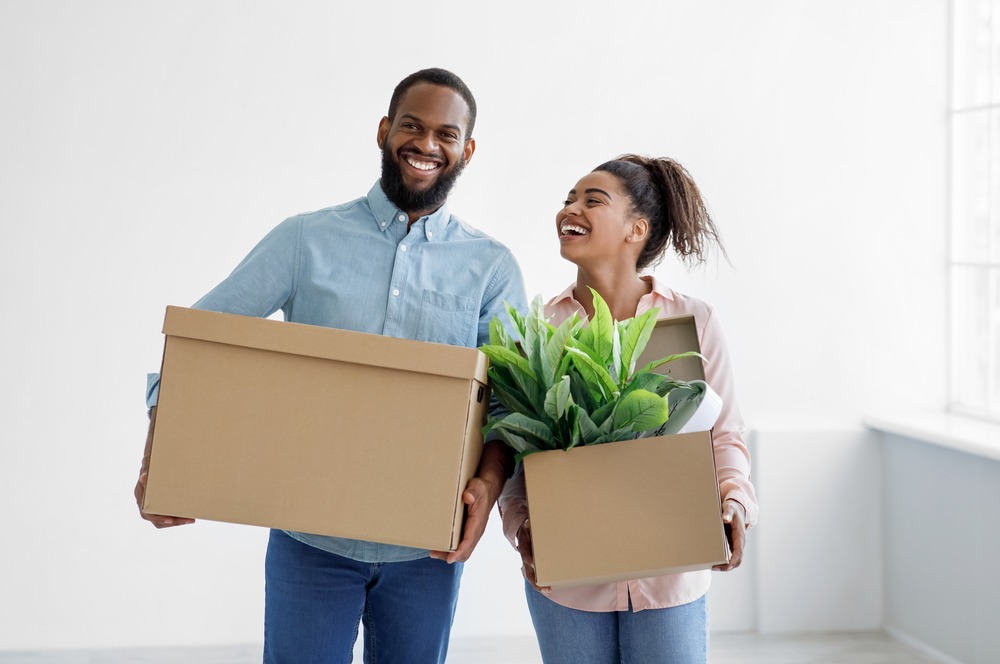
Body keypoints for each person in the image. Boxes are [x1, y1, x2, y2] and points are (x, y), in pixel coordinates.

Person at [133, 68, 529, 664]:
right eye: (411, 126)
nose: (426, 144)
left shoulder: (491, 267)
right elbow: (195, 345)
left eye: (446, 134)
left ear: (466, 150)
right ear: (383, 131)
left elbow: (510, 403)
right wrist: (158, 460)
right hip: (308, 541)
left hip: (426, 548)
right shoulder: (305, 240)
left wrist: (489, 483)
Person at [497, 154, 758, 664]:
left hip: (670, 570)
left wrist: (734, 503)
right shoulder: (541, 330)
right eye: (569, 198)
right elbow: (513, 446)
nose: (571, 208)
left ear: (636, 229)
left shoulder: (691, 320)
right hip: (568, 578)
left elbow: (724, 434)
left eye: (593, 200)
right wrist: (522, 526)